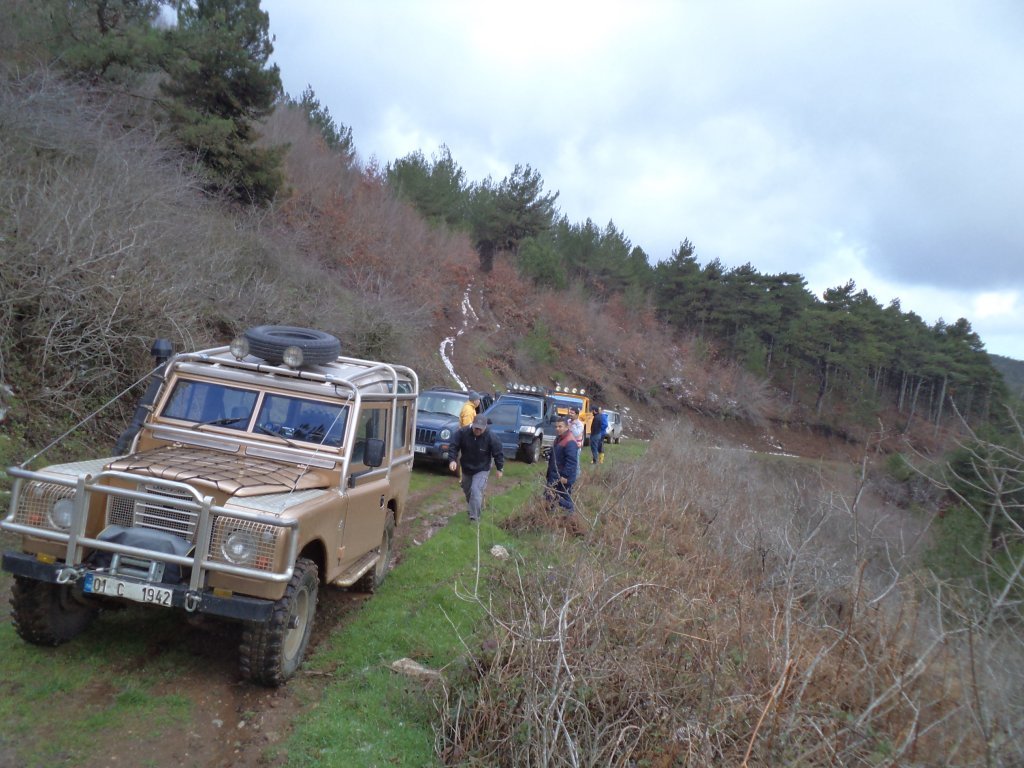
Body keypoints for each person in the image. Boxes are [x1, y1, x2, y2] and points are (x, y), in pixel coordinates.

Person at [447, 414, 504, 522]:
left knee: (476, 490)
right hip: (466, 467)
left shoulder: (491, 437)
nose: (477, 430)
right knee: (467, 489)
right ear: (472, 424)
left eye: (480, 429)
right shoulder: (462, 433)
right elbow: (453, 446)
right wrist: (452, 460)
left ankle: (474, 518)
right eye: (476, 427)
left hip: (482, 468)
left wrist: (500, 468)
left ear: (485, 427)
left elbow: (498, 453)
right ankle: (474, 506)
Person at [545, 416, 579, 514]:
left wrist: (565, 476)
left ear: (567, 427)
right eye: (556, 427)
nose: (557, 429)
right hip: (555, 473)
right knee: (549, 495)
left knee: (561, 498)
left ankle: (571, 517)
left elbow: (572, 462)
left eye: (560, 426)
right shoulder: (559, 438)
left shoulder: (570, 441)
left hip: (563, 476)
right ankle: (551, 517)